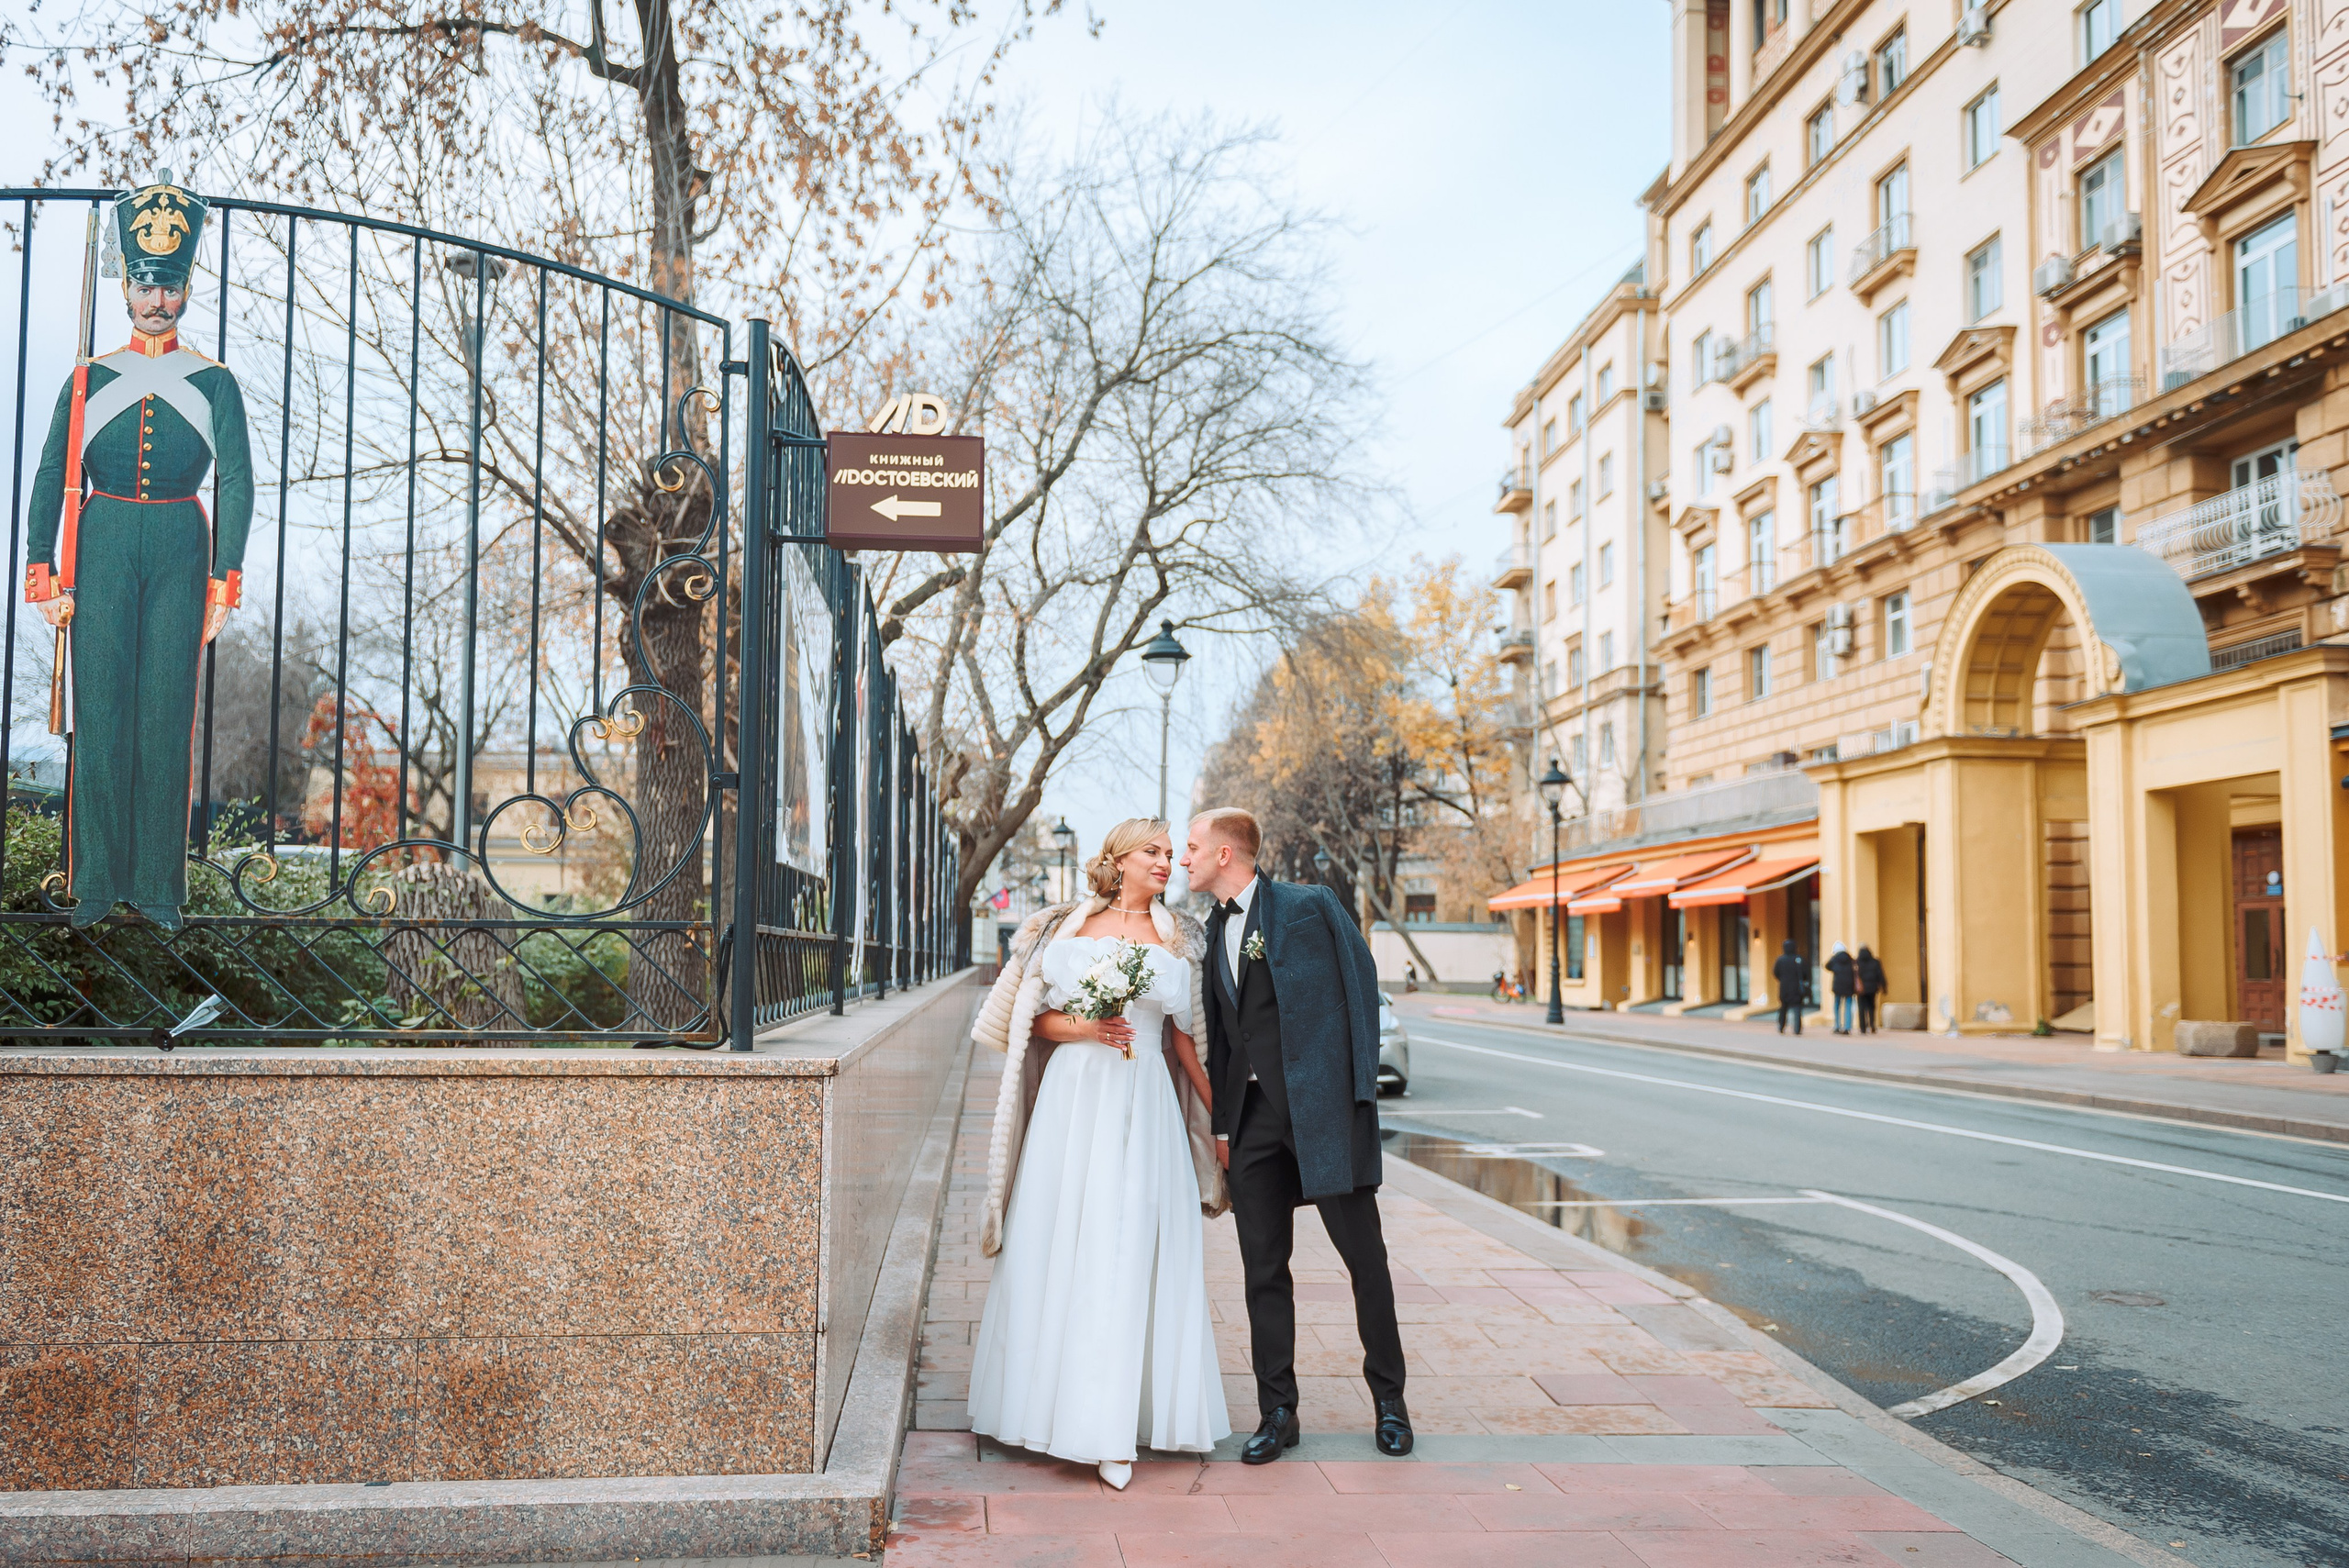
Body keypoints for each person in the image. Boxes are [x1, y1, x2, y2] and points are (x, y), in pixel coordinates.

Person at [964, 817, 1230, 1490]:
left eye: (1171, 853)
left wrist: (1224, 1121)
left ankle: (1118, 1421)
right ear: (1120, 858)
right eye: (1154, 851)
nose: (1166, 861)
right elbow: (1035, 1022)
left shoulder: (1179, 936)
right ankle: (1052, 1408)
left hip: (1145, 1100)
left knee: (1132, 1240)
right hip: (1074, 1098)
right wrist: (1089, 1026)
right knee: (1065, 1237)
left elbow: (1184, 1038)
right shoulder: (1062, 927)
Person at [26, 173, 251, 931]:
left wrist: (224, 579)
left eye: (171, 287)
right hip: (103, 543)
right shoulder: (88, 377)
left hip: (183, 545)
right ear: (126, 287)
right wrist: (42, 570)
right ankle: (94, 881)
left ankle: (158, 885)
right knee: (99, 712)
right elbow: (52, 473)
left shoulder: (215, 382)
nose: (158, 301)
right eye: (147, 285)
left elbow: (237, 480)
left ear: (186, 290)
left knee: (164, 713)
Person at [1181, 806, 1412, 1464]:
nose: (1183, 858)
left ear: (1225, 853)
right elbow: (1224, 1037)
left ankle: (1390, 1402)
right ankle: (1278, 1412)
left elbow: (1362, 988)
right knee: (1262, 1269)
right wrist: (1224, 1125)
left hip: (1324, 1114)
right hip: (1252, 1124)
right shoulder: (1210, 930)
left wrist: (1358, 1096)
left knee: (1365, 1260)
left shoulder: (1310, 905)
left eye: (1192, 846)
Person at [1772, 938, 1809, 1035]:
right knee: (1797, 1009)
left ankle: (1781, 1026)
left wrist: (1783, 979)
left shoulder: (1780, 960)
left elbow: (1775, 972)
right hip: (1796, 988)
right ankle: (1797, 1029)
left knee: (1783, 1008)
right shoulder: (1799, 959)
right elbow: (1805, 973)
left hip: (1784, 988)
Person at [1826, 941, 1857, 1034]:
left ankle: (1837, 1025)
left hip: (1838, 985)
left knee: (1837, 1006)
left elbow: (1827, 966)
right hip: (1849, 985)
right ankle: (1847, 1027)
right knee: (1848, 1006)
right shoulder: (1850, 959)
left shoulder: (1834, 959)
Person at [1855, 945, 1886, 1034]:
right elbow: (1880, 975)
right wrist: (1884, 986)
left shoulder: (1857, 962)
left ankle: (1863, 1028)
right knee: (1871, 1007)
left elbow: (1855, 976)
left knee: (1861, 1008)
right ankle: (1872, 1025)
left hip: (1861, 989)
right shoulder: (1875, 962)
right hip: (1872, 988)